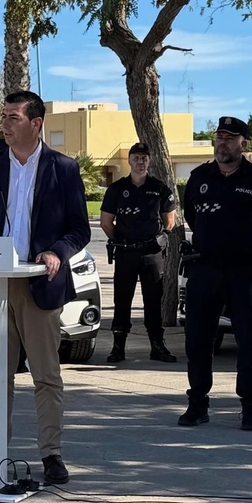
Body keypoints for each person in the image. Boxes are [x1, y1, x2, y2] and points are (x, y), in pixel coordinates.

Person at [0, 90, 92, 485]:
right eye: (3, 116)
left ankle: (51, 454)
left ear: (36, 124)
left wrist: (56, 252)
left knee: (45, 375)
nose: (5, 123)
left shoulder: (63, 168)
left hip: (39, 284)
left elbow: (80, 229)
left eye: (13, 117)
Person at [179, 116, 252, 431]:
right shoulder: (199, 177)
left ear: (244, 143)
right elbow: (191, 216)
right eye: (219, 136)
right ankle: (197, 404)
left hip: (242, 271)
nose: (223, 142)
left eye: (230, 137)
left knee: (248, 342)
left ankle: (250, 408)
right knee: (197, 341)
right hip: (205, 269)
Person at [99, 142, 178, 364]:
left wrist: (153, 239)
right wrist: (121, 241)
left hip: (152, 253)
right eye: (136, 158)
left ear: (149, 161)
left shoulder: (160, 188)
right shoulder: (117, 189)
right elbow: (106, 222)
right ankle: (118, 347)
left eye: (144, 158)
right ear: (130, 161)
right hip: (126, 253)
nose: (140, 162)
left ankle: (157, 346)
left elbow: (169, 222)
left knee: (153, 300)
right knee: (122, 300)